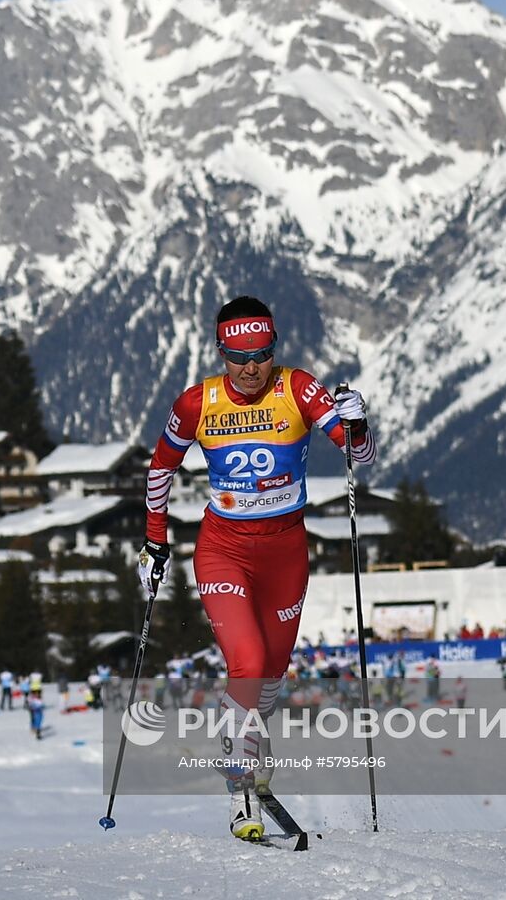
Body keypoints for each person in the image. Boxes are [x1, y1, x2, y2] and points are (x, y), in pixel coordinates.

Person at [139, 295, 376, 841]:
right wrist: (154, 544)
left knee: (269, 675)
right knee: (246, 663)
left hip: (285, 554)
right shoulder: (197, 403)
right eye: (238, 356)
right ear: (221, 352)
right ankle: (239, 785)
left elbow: (357, 458)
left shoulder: (299, 388)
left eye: (261, 354)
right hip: (224, 549)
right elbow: (159, 470)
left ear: (274, 348)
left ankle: (246, 738)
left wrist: (357, 425)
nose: (250, 368)